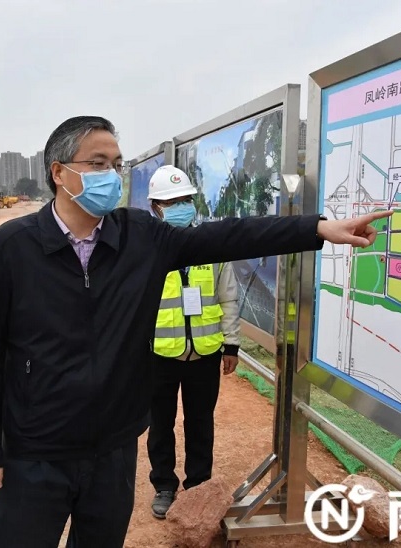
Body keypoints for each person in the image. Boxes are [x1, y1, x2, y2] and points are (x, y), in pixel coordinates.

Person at [0, 116, 391, 548]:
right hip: (34, 449)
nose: (111, 175)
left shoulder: (139, 236)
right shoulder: (12, 247)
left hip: (112, 449)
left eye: (116, 164)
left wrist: (316, 228)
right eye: (97, 163)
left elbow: (229, 236)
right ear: (59, 172)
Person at [145, 165, 241, 519]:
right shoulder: (146, 250)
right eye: (171, 202)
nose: (180, 207)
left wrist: (231, 345)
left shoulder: (210, 246)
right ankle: (164, 485)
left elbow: (228, 297)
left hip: (205, 351)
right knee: (161, 423)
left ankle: (198, 484)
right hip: (159, 354)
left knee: (200, 422)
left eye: (185, 199)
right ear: (155, 206)